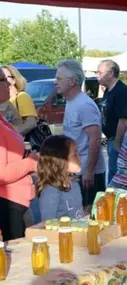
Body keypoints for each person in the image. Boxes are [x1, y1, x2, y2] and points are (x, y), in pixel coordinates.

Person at [56, 60, 105, 207]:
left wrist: (89, 171)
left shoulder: (84, 105)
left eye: (59, 79)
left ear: (72, 81)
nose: (55, 82)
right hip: (77, 171)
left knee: (88, 215)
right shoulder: (72, 102)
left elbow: (95, 139)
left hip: (88, 174)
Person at [0, 67, 37, 241]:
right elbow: (1, 173)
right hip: (8, 203)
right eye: (3, 80)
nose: (8, 84)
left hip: (15, 201)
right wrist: (31, 162)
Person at [97, 60, 127, 183]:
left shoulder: (120, 92)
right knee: (113, 173)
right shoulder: (109, 90)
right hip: (112, 139)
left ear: (110, 73)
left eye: (100, 72)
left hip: (119, 140)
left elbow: (123, 120)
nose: (97, 76)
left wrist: (117, 143)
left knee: (116, 177)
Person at [37, 135, 84, 221]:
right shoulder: (50, 191)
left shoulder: (74, 184)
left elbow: (79, 214)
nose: (79, 158)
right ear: (60, 160)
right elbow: (48, 224)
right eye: (74, 155)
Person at [2, 65, 38, 136]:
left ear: (14, 80)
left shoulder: (21, 97)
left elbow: (31, 123)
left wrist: (10, 134)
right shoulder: (3, 100)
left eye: (4, 77)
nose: (2, 80)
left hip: (20, 142)